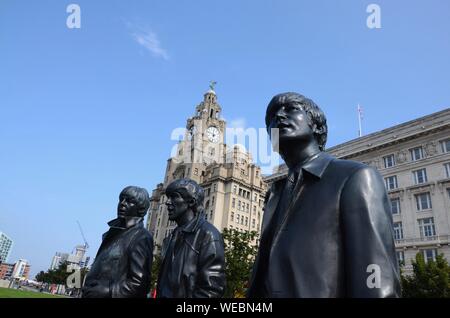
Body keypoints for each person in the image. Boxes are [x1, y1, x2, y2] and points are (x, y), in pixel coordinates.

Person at [247, 92, 401, 298]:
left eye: (291, 109)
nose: (279, 117)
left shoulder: (355, 177)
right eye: (272, 117)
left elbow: (377, 283)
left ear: (317, 126)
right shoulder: (274, 195)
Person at [157, 178, 226, 298]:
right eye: (168, 197)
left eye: (174, 197)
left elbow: (211, 290)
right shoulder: (171, 238)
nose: (168, 202)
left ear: (191, 202)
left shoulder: (208, 235)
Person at [82, 186, 153, 298]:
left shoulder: (141, 237)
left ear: (141, 208)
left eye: (130, 201)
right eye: (121, 199)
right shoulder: (113, 233)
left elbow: (140, 283)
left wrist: (107, 291)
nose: (123, 203)